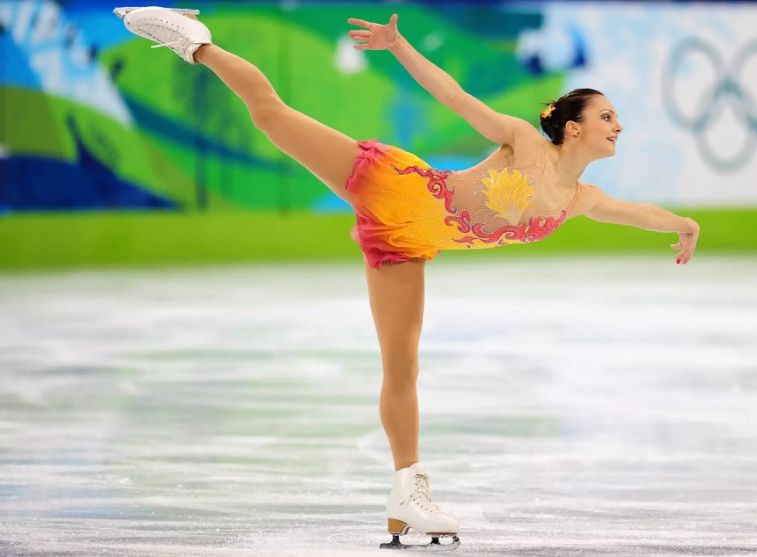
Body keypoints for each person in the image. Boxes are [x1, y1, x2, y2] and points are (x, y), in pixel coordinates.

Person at [115, 6, 700, 551]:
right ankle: (194, 40)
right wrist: (398, 47)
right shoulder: (524, 142)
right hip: (401, 189)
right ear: (572, 127)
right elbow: (455, 95)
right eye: (607, 116)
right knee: (272, 116)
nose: (617, 126)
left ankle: (407, 493)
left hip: (409, 242)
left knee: (403, 363)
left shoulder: (580, 198)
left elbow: (639, 214)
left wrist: (684, 224)